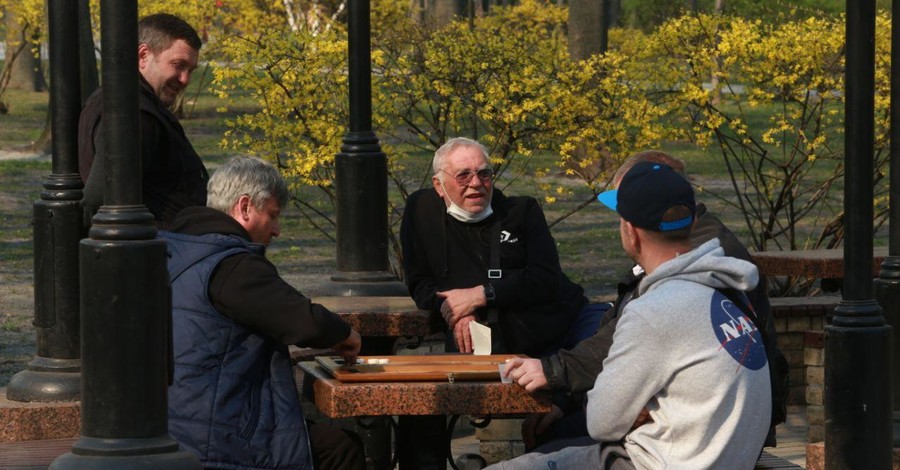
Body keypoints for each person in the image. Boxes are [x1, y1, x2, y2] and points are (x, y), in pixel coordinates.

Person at [491, 161, 771, 469]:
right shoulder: (729, 291)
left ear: (630, 232)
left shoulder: (656, 309)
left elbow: (601, 422)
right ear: (692, 224)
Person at [160, 156, 365, 470]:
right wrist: (346, 334)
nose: (278, 230)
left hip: (176, 420)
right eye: (273, 215)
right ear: (244, 207)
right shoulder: (232, 265)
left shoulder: (179, 248)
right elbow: (304, 320)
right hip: (214, 435)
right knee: (340, 449)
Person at [400, 137, 605, 357]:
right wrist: (454, 309)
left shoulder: (521, 211)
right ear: (439, 185)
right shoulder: (421, 212)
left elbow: (545, 278)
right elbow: (420, 283)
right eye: (463, 175)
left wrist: (480, 295)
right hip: (500, 345)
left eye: (484, 173)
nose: (476, 183)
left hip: (564, 327)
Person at [79, 12, 209, 230]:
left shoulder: (124, 103)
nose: (185, 79)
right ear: (143, 55)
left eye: (190, 70)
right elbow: (99, 199)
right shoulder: (133, 114)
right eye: (178, 65)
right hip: (155, 254)